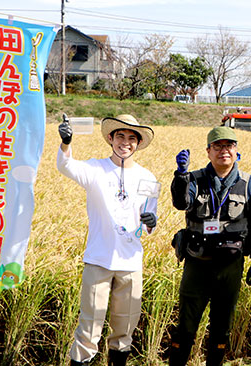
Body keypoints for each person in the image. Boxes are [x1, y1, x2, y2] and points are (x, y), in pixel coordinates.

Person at [57, 114, 159, 366]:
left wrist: (151, 222)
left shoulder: (149, 178)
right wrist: (66, 143)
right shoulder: (95, 169)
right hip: (98, 260)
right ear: (110, 139)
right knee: (89, 329)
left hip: (131, 263)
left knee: (124, 330)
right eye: (120, 136)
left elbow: (151, 218)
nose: (126, 142)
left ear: (138, 143)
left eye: (132, 138)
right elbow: (65, 166)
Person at [169, 126, 251, 366]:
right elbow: (181, 203)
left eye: (229, 146)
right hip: (197, 262)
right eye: (218, 146)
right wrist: (181, 175)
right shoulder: (195, 179)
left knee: (222, 326)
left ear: (237, 152)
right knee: (186, 325)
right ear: (208, 152)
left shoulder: (247, 182)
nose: (224, 150)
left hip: (230, 266)